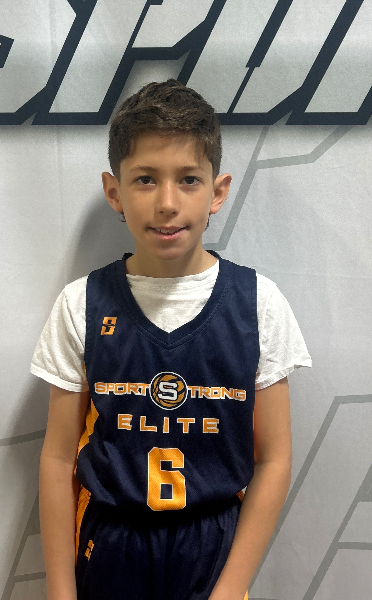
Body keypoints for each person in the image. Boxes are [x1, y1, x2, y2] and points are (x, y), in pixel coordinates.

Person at [31, 79, 311, 600]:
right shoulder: (81, 304)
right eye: (145, 179)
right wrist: (60, 592)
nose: (166, 202)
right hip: (111, 543)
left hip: (214, 547)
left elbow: (274, 460)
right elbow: (57, 457)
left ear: (217, 192)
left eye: (188, 180)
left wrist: (230, 590)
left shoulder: (259, 304)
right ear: (114, 191)